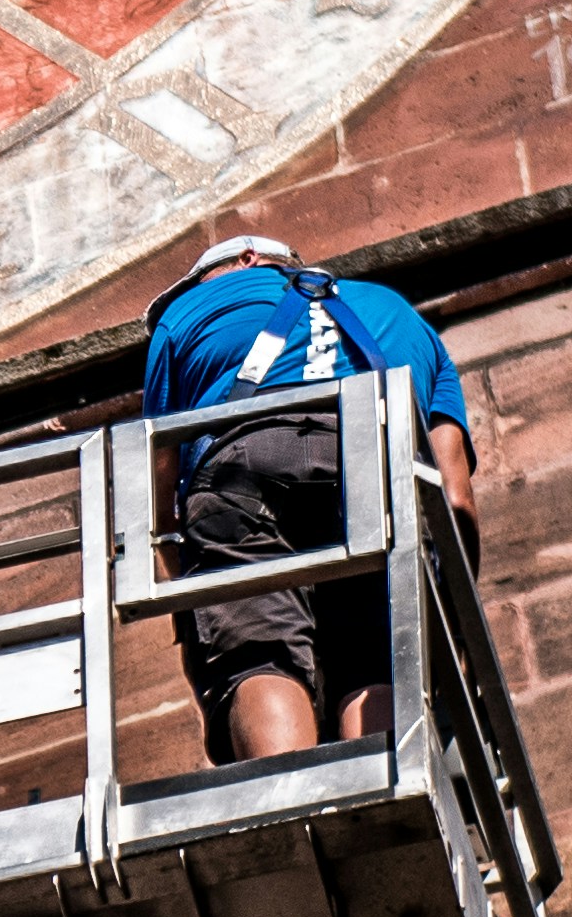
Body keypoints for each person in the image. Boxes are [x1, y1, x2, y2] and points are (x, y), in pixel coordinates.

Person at [143, 229, 470, 763]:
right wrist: (454, 629)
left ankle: (291, 803)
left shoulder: (188, 313)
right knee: (375, 657)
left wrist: (182, 577)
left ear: (248, 260)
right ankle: (391, 793)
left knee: (259, 657)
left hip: (243, 471)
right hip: (375, 472)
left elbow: (158, 470)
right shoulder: (399, 311)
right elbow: (455, 498)